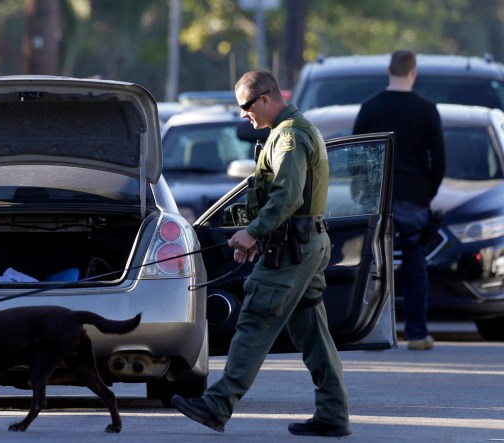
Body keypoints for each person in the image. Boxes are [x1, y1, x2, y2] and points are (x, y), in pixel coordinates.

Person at [171, 70, 351, 437]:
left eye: (245, 106)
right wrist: (257, 236)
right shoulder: (294, 130)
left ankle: (217, 405)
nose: (242, 114)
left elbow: (288, 196)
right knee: (313, 333)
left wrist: (253, 233)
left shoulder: (290, 137)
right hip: (303, 245)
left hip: (293, 250)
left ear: (266, 99)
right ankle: (333, 414)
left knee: (254, 319)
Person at [352, 50, 445, 351]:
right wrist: (427, 192)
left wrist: (361, 193)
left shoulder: (370, 108)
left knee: (372, 265)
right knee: (415, 264)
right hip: (414, 197)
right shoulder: (427, 109)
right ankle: (417, 334)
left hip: (377, 196)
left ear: (388, 70)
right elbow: (439, 160)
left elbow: (357, 155)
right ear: (413, 72)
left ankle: (367, 331)